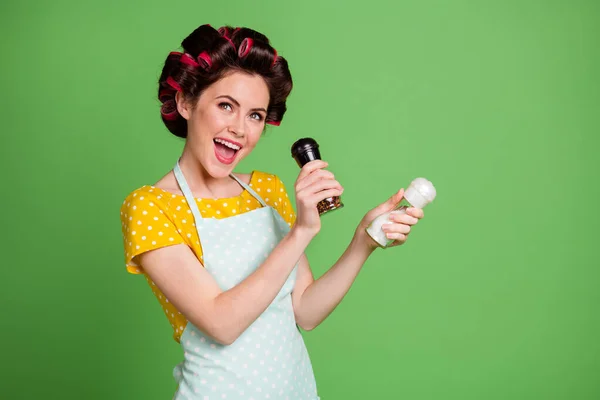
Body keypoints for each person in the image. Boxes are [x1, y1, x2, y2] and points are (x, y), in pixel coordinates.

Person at [119, 24, 425, 400]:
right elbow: (221, 323)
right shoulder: (151, 206)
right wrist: (301, 232)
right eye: (225, 106)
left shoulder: (266, 189)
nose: (239, 129)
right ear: (185, 103)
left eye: (255, 115)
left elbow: (305, 312)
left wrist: (363, 239)